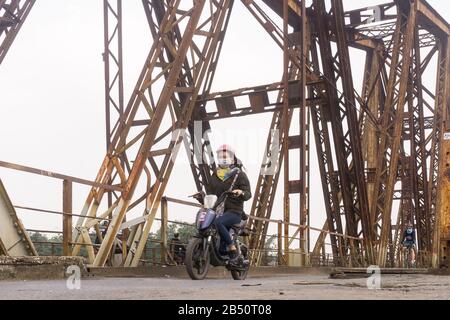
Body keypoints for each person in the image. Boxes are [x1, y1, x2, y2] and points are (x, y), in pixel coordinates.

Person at [206, 144, 252, 258]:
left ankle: (231, 245)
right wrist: (202, 196)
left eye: (226, 156)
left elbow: (248, 194)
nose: (223, 158)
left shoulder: (239, 175)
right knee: (204, 223)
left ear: (232, 158)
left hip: (234, 211)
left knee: (219, 222)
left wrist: (241, 192)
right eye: (221, 156)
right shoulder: (214, 176)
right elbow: (210, 194)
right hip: (218, 211)